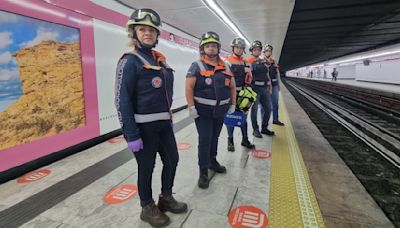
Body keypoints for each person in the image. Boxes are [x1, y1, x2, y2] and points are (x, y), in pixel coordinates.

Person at [115, 8, 187, 227]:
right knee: (146, 168)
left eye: (151, 30)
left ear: (157, 35)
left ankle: (165, 197)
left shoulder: (159, 61)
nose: (147, 33)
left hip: (163, 125)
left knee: (172, 159)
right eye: (142, 29)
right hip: (143, 128)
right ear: (134, 33)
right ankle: (146, 206)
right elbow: (122, 100)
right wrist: (131, 134)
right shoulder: (130, 61)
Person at [185, 31, 236, 189]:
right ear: (202, 49)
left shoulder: (226, 66)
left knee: (215, 138)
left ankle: (212, 161)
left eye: (214, 46)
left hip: (220, 112)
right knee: (205, 139)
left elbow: (233, 87)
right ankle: (203, 172)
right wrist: (191, 107)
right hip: (203, 113)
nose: (211, 49)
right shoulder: (196, 66)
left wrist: (233, 104)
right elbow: (189, 88)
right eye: (208, 46)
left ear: (218, 48)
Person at [225, 37, 256, 152]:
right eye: (237, 47)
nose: (239, 50)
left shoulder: (246, 62)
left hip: (243, 94)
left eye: (241, 48)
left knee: (243, 117)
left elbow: (249, 77)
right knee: (231, 117)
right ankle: (230, 141)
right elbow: (226, 79)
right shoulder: (227, 61)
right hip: (231, 94)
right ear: (233, 48)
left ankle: (245, 139)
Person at [247, 40, 274, 138]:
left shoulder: (264, 61)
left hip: (265, 89)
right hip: (255, 89)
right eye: (255, 50)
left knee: (269, 109)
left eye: (259, 50)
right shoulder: (249, 61)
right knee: (254, 111)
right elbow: (247, 77)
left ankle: (264, 128)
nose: (257, 51)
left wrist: (270, 87)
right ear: (252, 51)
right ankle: (255, 129)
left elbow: (267, 74)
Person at [264, 44, 284, 126]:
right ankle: (264, 122)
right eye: (267, 51)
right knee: (264, 105)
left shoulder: (274, 61)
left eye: (270, 51)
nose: (268, 52)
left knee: (275, 103)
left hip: (274, 85)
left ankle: (275, 119)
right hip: (265, 86)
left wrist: (279, 85)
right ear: (264, 52)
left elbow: (277, 73)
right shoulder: (261, 61)